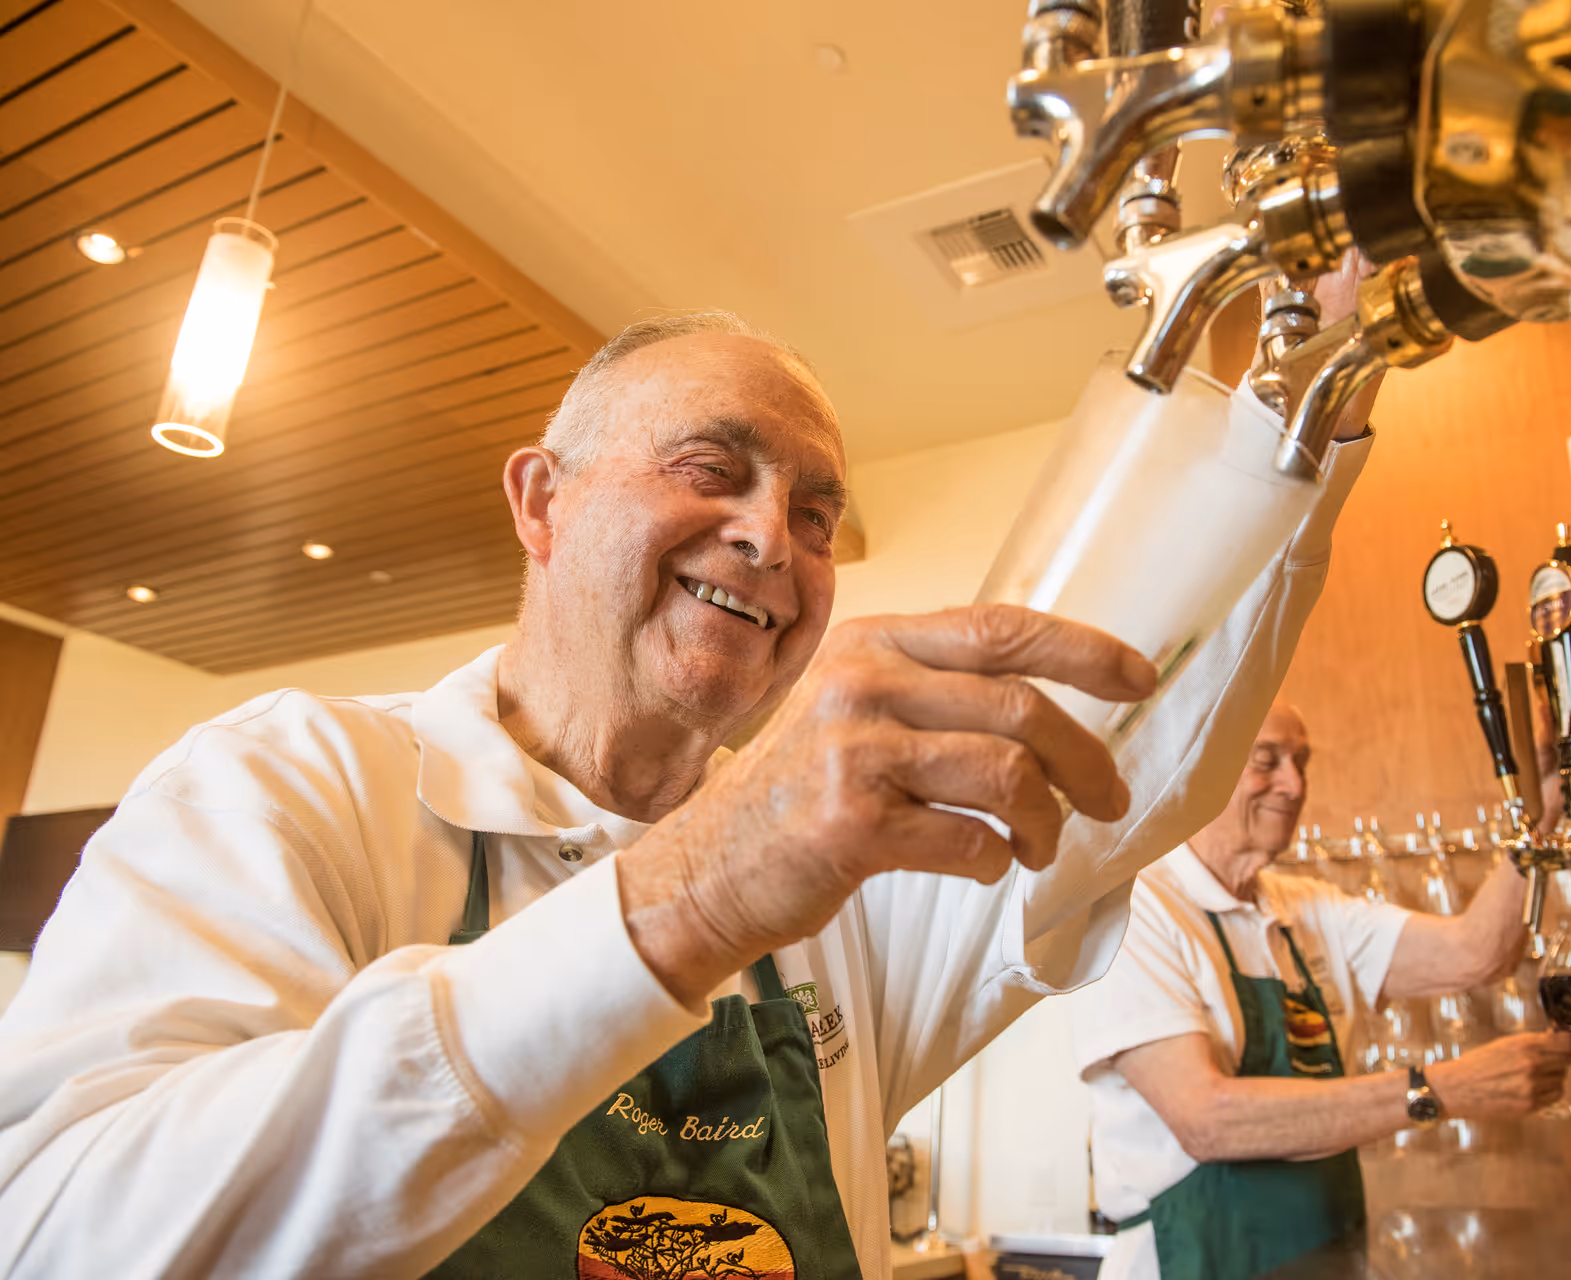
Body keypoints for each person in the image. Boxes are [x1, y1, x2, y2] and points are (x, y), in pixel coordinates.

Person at [0, 312, 1380, 1278]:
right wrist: (693, 893)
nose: (772, 538)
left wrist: (1312, 403)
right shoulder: (290, 785)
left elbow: (1113, 758)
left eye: (819, 513)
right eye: (713, 471)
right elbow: (63, 1237)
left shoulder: (857, 880)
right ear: (542, 503)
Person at [1071, 698, 1571, 1280]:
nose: (1294, 784)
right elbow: (1205, 1120)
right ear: (1198, 767)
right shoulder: (1133, 911)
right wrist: (1439, 1089)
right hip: (1194, 1261)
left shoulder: (1306, 907)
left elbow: (1477, 952)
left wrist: (1545, 815)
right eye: (1267, 761)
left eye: (1302, 761)